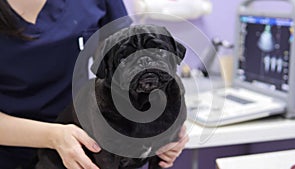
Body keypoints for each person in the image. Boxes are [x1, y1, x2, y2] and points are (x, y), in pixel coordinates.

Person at [0, 0, 189, 169]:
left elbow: (125, 58)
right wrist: (54, 136)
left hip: (97, 140)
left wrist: (168, 125)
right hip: (12, 148)